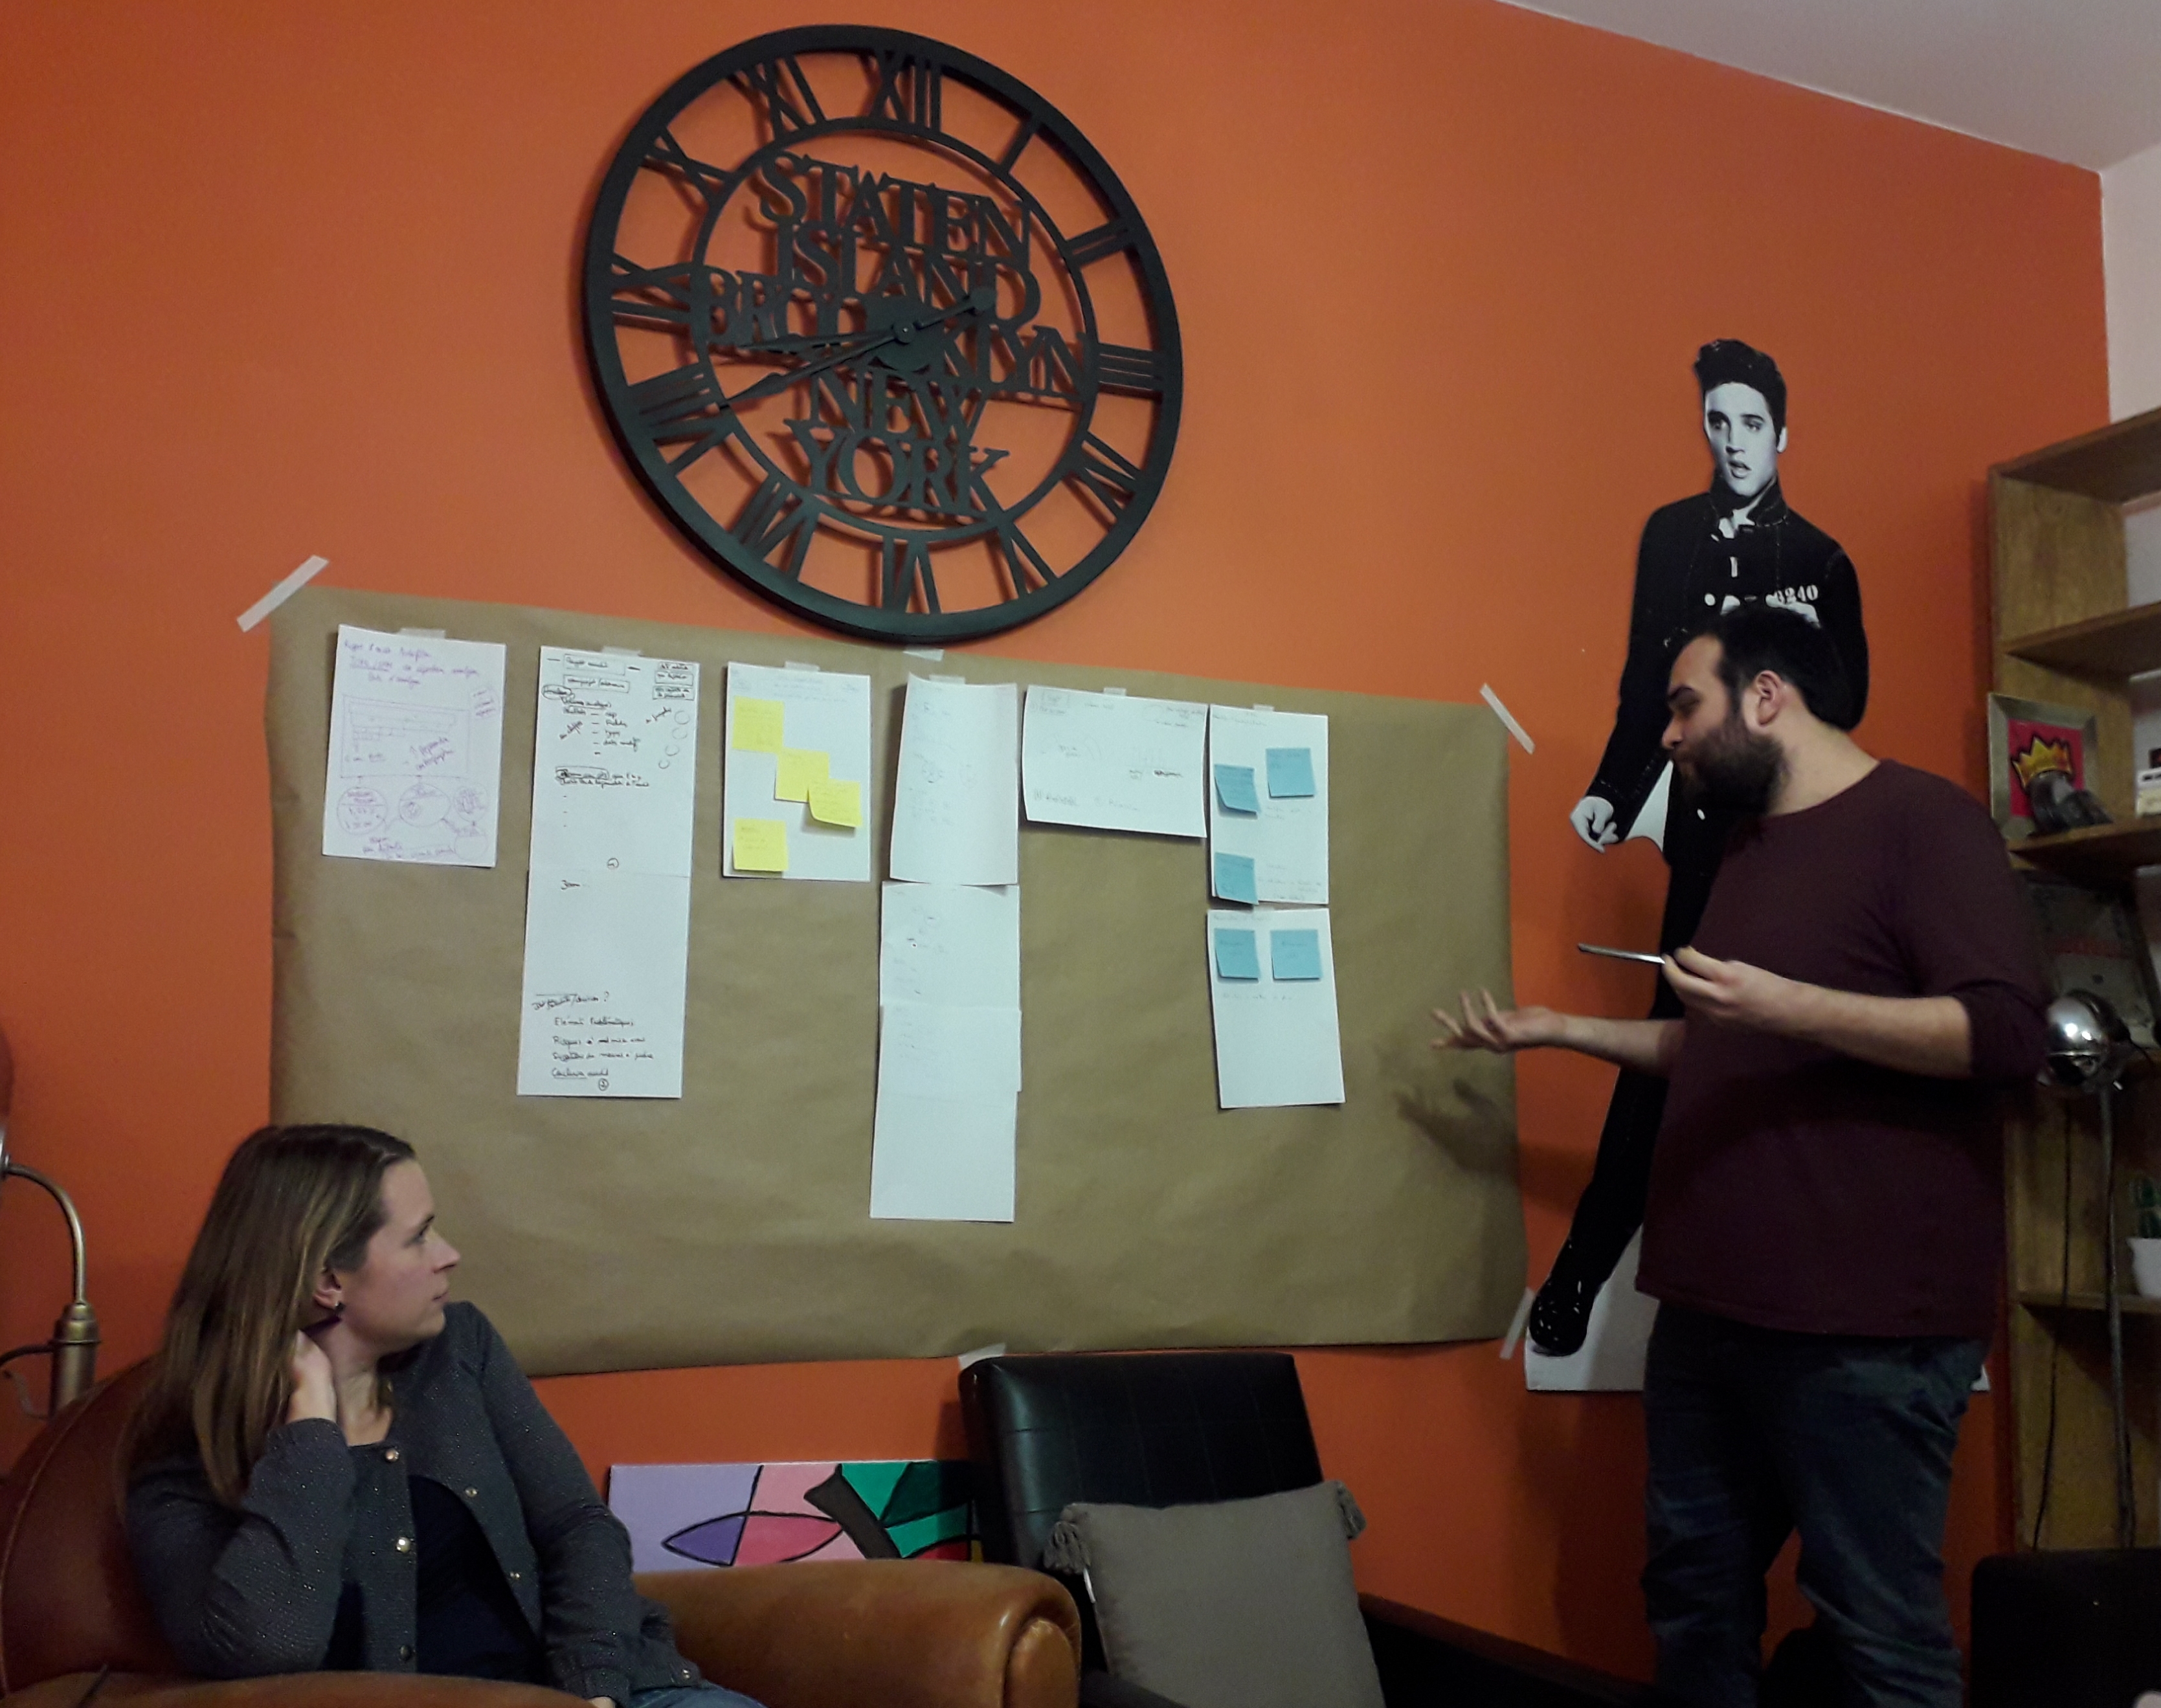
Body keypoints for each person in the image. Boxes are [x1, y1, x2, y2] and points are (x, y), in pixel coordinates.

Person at [1436, 604, 2047, 1708]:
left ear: (1765, 696)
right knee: (1691, 1603)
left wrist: (1785, 1001)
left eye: (1683, 704)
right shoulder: (1745, 844)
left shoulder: (1925, 822)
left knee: (1877, 1635)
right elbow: (1725, 1037)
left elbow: (2004, 1034)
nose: (1667, 734)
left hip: (1863, 1329)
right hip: (1708, 1310)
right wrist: (1558, 1028)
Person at [126, 1124, 761, 1708]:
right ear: (327, 1280)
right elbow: (268, 1646)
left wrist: (592, 1691)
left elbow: (578, 1526)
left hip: (608, 1695)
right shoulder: (189, 1453)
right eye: (418, 1236)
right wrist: (312, 1429)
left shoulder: (459, 1349)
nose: (448, 1254)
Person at [1537, 340, 1871, 1357]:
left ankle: (1785, 1293)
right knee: (1668, 1044)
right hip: (1698, 833)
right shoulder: (1671, 533)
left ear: (1781, 433)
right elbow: (1646, 677)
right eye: (1716, 422)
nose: (1732, 441)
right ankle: (1583, 1265)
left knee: (1790, 1053)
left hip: (1796, 845)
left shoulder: (1820, 559)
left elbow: (1848, 705)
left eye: (1750, 423)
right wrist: (1612, 787)